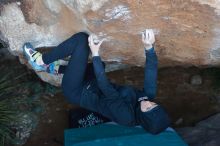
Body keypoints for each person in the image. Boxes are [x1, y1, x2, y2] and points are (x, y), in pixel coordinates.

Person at [23, 29, 170, 134]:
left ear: (143, 118)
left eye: (148, 108)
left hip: (78, 91)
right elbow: (151, 72)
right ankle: (56, 69)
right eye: (154, 104)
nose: (149, 103)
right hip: (91, 83)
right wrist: (149, 48)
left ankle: (41, 62)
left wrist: (95, 53)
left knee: (81, 40)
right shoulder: (147, 99)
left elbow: (105, 87)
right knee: (100, 66)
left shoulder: (125, 116)